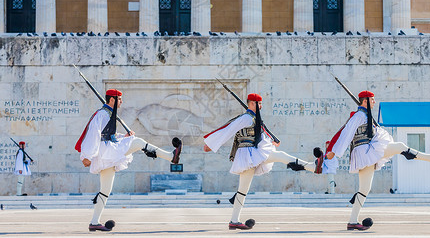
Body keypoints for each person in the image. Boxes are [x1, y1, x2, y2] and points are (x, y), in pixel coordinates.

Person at [326, 90, 430, 231]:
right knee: (400, 146)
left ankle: (352, 221)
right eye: (372, 100)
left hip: (367, 152)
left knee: (364, 189)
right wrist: (334, 151)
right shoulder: (358, 115)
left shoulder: (364, 115)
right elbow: (345, 132)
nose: (374, 102)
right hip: (366, 151)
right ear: (365, 101)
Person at [203, 93, 323, 230]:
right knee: (245, 187)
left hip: (253, 153)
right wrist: (211, 144)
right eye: (259, 103)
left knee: (244, 189)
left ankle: (234, 221)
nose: (261, 106)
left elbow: (258, 134)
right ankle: (313, 167)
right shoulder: (246, 118)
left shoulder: (252, 117)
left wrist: (271, 141)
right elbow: (228, 129)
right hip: (248, 154)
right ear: (252, 103)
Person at [75, 89, 183, 232]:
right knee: (137, 142)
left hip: (108, 152)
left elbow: (110, 136)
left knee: (105, 190)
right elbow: (93, 135)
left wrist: (124, 137)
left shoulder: (109, 114)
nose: (122, 102)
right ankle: (171, 156)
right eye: (119, 99)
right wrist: (86, 156)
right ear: (112, 99)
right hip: (105, 152)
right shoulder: (102, 114)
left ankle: (94, 222)